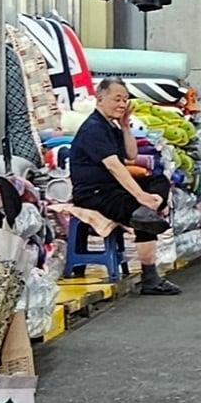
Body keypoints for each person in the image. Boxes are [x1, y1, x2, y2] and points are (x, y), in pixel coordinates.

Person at [68, 79, 181, 296]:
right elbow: (114, 167)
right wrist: (140, 196)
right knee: (144, 216)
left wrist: (125, 125)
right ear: (100, 99)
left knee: (159, 180)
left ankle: (154, 203)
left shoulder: (111, 125)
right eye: (117, 99)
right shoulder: (93, 128)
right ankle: (150, 277)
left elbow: (131, 155)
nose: (122, 104)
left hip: (113, 188)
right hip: (94, 193)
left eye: (125, 100)